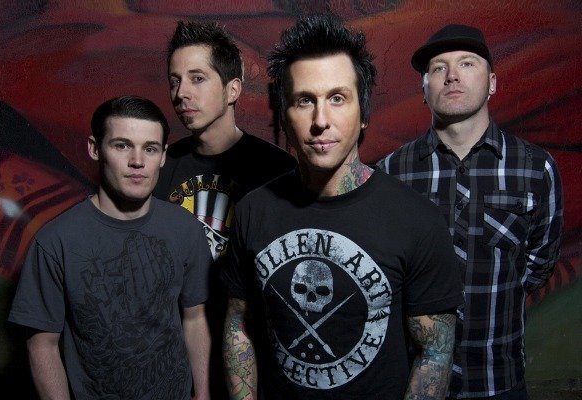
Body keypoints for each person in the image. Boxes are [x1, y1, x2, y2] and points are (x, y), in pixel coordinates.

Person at [222, 14, 463, 400]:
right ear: (284, 115)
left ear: (363, 113)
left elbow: (434, 351)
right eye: (304, 101)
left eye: (337, 98)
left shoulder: (416, 221)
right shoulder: (253, 212)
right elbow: (239, 325)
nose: (320, 121)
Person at [378, 24, 564, 399]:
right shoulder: (391, 173)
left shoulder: (535, 168)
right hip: (415, 384)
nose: (452, 76)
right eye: (438, 68)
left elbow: (538, 264)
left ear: (492, 83)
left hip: (499, 379)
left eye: (466, 63)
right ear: (424, 89)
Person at [8, 96, 212, 400]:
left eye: (150, 148)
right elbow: (42, 346)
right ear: (95, 149)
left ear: (162, 156)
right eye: (122, 145)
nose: (137, 161)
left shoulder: (185, 228)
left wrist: (204, 393)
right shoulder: (55, 241)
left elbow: (194, 319)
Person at [153, 21, 296, 398]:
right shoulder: (158, 167)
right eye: (174, 81)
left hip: (256, 361)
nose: (181, 93)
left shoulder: (277, 170)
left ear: (233, 89)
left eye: (197, 78)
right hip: (177, 360)